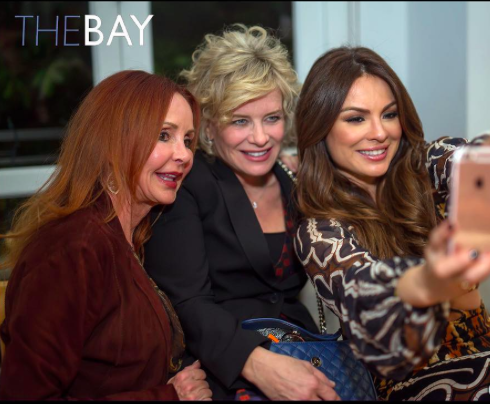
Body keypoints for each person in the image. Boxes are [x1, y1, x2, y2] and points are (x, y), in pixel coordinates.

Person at [293, 46, 490, 401]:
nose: (379, 132)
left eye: (389, 114)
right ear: (321, 127)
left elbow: (463, 160)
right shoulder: (319, 233)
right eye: (356, 119)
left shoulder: (423, 166)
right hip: (410, 385)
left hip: (485, 360)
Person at [143, 25, 339, 401]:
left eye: (272, 118)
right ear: (209, 125)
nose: (261, 137)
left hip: (304, 352)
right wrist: (258, 364)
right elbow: (186, 303)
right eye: (240, 121)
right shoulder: (188, 185)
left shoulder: (291, 179)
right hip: (225, 368)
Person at [0, 70, 213, 401]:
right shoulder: (74, 247)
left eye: (187, 140)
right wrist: (170, 397)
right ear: (113, 142)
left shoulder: (130, 234)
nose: (184, 155)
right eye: (163, 135)